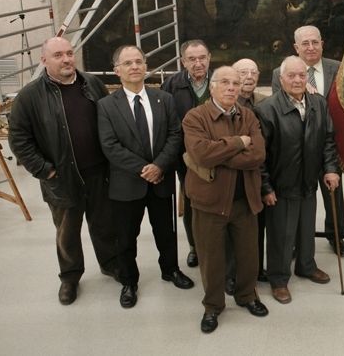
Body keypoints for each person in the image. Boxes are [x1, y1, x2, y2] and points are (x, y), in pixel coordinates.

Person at [8, 37, 118, 305]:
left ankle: (110, 263)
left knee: (104, 224)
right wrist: (45, 171)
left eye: (70, 53)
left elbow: (110, 121)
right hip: (61, 178)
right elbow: (19, 138)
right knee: (67, 232)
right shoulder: (30, 96)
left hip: (98, 174)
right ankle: (70, 276)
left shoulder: (92, 84)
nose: (67, 59)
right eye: (58, 55)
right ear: (44, 60)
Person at [98, 45, 194, 309]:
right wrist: (145, 168)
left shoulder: (164, 99)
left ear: (146, 66)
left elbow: (176, 134)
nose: (134, 67)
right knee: (126, 236)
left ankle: (170, 269)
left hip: (161, 180)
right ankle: (129, 281)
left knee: (166, 231)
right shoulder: (106, 106)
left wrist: (159, 166)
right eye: (127, 63)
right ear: (117, 70)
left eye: (139, 61)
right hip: (127, 184)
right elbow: (110, 146)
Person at [182, 66, 269, 334]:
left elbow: (258, 155)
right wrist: (239, 142)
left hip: (244, 201)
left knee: (248, 255)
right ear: (212, 87)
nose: (232, 87)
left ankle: (247, 296)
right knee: (211, 258)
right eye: (225, 82)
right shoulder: (195, 117)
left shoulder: (249, 116)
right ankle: (213, 306)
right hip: (209, 202)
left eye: (236, 82)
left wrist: (222, 149)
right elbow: (202, 155)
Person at [256, 56, 340, 304]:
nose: (297, 80)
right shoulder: (267, 110)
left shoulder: (318, 104)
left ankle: (306, 265)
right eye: (291, 76)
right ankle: (279, 278)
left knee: (305, 228)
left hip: (308, 181)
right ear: (281, 79)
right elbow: (259, 157)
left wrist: (331, 169)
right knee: (281, 234)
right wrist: (266, 187)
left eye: (301, 75)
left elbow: (328, 140)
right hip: (281, 186)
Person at [271, 25, 344, 255]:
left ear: (322, 43)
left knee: (333, 194)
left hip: (328, 144)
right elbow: (279, 107)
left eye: (315, 42)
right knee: (298, 198)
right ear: (296, 47)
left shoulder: (338, 69)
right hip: (296, 149)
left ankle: (336, 235)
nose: (311, 47)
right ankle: (297, 240)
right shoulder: (280, 73)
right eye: (305, 43)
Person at [161, 40, 212, 270]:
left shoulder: (221, 79)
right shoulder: (171, 85)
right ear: (183, 62)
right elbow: (166, 123)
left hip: (218, 152)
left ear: (209, 58)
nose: (198, 63)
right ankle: (195, 247)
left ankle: (217, 246)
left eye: (202, 58)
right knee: (192, 201)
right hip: (186, 157)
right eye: (192, 59)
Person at [232, 58, 268, 284]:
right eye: (243, 72)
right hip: (235, 179)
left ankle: (255, 269)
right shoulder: (227, 104)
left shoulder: (265, 102)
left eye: (253, 72)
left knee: (257, 226)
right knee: (234, 231)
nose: (249, 77)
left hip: (260, 176)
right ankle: (233, 273)